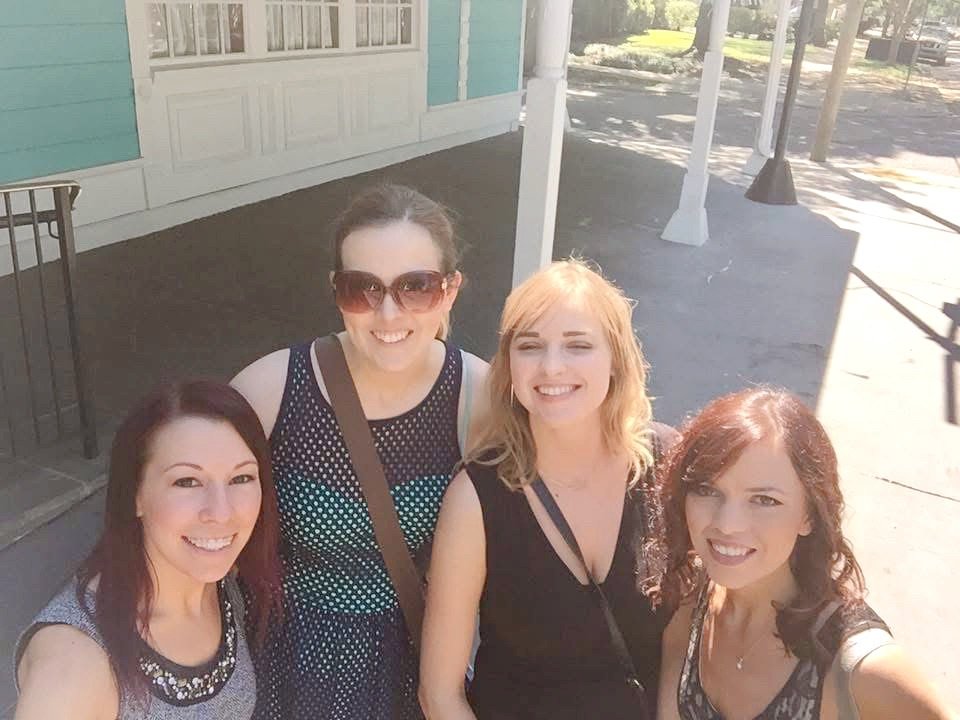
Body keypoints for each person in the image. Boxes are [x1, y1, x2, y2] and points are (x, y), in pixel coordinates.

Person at [231, 184, 489, 719]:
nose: (389, 314)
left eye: (415, 287)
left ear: (450, 290)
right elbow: (182, 518)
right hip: (286, 666)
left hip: (417, 662)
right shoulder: (272, 389)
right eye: (362, 289)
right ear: (335, 291)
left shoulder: (477, 398)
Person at [419, 259, 676, 720]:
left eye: (578, 345)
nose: (552, 367)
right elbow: (439, 694)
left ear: (616, 357)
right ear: (510, 364)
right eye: (531, 346)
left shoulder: (669, 464)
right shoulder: (476, 498)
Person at [656, 388, 954, 720]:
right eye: (707, 490)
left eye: (764, 500)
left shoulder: (867, 671)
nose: (727, 524)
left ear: (809, 515)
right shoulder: (690, 593)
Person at [14, 380, 283, 720]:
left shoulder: (226, 580)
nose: (222, 512)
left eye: (241, 478)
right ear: (135, 495)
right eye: (187, 481)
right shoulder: (76, 667)